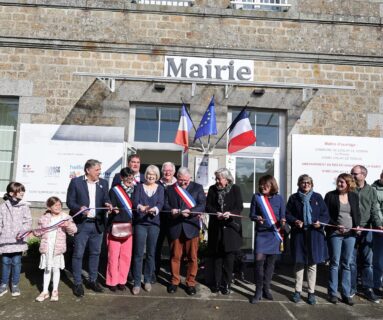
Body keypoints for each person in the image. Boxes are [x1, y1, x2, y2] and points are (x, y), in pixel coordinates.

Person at [66, 159, 113, 297]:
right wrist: (79, 208)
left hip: (98, 224)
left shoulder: (103, 183)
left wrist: (108, 203)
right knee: (78, 254)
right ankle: (77, 283)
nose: (100, 172)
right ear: (88, 170)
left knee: (95, 253)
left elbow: (106, 198)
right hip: (82, 223)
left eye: (100, 169)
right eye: (97, 170)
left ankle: (92, 280)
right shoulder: (76, 182)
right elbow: (70, 202)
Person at [286, 174, 329, 305]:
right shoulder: (293, 198)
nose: (306, 185)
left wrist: (320, 222)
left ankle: (311, 292)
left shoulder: (318, 197)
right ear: (299, 184)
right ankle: (297, 291)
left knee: (312, 264)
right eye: (303, 182)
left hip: (314, 234)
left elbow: (325, 214)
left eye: (308, 183)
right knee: (299, 263)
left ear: (312, 184)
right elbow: (288, 214)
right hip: (299, 234)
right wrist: (295, 221)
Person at [164, 167, 206, 296]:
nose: (183, 183)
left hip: (191, 227)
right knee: (175, 257)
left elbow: (202, 204)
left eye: (186, 181)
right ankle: (174, 281)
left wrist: (191, 212)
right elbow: (165, 205)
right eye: (181, 180)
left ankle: (190, 283)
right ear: (177, 177)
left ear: (190, 178)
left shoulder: (197, 188)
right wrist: (172, 210)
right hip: (176, 226)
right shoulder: (170, 189)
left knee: (192, 258)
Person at [325, 173, 361, 306]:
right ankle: (333, 293)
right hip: (335, 234)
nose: (339, 184)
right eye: (338, 182)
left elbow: (357, 213)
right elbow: (325, 215)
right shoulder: (330, 195)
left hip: (350, 235)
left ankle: (346, 294)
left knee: (347, 264)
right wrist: (335, 225)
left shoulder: (353, 196)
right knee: (335, 263)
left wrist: (357, 226)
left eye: (342, 182)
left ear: (348, 184)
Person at [206, 168, 243, 295]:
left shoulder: (235, 189)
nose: (217, 181)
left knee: (229, 259)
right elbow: (208, 206)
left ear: (226, 179)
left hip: (231, 228)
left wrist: (230, 213)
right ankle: (216, 283)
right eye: (216, 178)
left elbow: (239, 207)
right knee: (217, 258)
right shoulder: (212, 189)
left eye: (219, 178)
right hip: (216, 227)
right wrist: (216, 213)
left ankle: (226, 284)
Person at [249, 175, 285, 304]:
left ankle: (266, 288)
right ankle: (258, 290)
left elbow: (282, 217)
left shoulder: (279, 199)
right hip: (261, 234)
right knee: (258, 263)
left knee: (270, 264)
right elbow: (251, 215)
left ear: (272, 186)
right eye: (261, 184)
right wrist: (256, 217)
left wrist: (283, 221)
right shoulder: (257, 197)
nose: (262, 187)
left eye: (266, 185)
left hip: (274, 235)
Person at [34, 197, 77, 302]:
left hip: (57, 248)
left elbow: (74, 230)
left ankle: (55, 290)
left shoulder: (65, 217)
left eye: (59, 205)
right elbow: (37, 232)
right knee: (47, 269)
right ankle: (44, 291)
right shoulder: (44, 217)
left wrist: (67, 225)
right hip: (47, 246)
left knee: (56, 269)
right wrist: (35, 231)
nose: (58, 207)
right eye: (55, 205)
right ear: (49, 207)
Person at [131, 165, 164, 295]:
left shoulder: (160, 188)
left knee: (151, 253)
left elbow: (161, 203)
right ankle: (137, 282)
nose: (151, 176)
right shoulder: (139, 187)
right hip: (141, 223)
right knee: (138, 253)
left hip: (154, 224)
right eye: (149, 174)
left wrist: (154, 209)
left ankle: (148, 280)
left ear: (157, 176)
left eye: (154, 175)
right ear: (146, 175)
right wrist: (141, 207)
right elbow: (135, 202)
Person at [350, 165, 380, 303]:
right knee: (352, 261)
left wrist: (378, 224)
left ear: (363, 175)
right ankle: (352, 287)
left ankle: (368, 288)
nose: (352, 176)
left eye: (354, 174)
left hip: (367, 229)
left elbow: (374, 209)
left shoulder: (371, 191)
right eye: (351, 173)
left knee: (368, 262)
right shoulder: (349, 189)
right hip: (351, 229)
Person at [0, 182, 32, 297]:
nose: (22, 192)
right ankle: (3, 284)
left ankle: (14, 284)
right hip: (5, 240)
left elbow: (28, 221)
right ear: (11, 193)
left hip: (18, 240)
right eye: (20, 191)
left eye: (23, 190)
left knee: (17, 262)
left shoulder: (24, 206)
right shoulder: (3, 207)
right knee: (5, 262)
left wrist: (23, 231)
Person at [106, 167, 135, 292]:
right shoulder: (114, 190)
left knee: (126, 256)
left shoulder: (136, 190)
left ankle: (122, 280)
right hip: (115, 226)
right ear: (122, 178)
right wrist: (113, 209)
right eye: (127, 177)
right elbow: (109, 204)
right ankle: (112, 281)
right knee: (113, 256)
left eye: (131, 177)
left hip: (129, 227)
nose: (129, 180)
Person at [155, 162, 177, 277]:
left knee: (174, 249)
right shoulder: (156, 184)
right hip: (158, 221)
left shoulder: (178, 185)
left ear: (174, 172)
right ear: (162, 171)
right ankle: (155, 272)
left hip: (173, 221)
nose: (167, 172)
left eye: (170, 170)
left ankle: (173, 275)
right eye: (165, 170)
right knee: (156, 248)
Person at [372, 170, 383, 297]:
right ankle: (376, 285)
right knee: (379, 261)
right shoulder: (374, 190)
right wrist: (380, 224)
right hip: (379, 229)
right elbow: (376, 209)